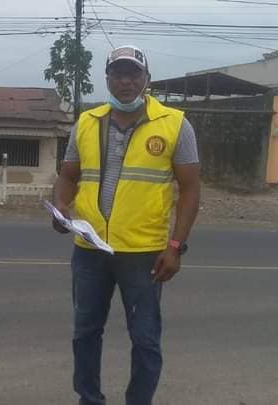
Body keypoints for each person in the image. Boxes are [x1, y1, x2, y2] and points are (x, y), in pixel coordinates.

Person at [52, 45, 200, 405]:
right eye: (118, 73)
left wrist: (175, 246)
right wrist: (61, 208)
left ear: (146, 79)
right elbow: (68, 176)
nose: (126, 81)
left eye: (134, 74)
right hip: (90, 251)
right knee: (85, 333)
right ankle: (89, 399)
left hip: (144, 254)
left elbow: (191, 189)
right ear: (108, 79)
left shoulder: (175, 124)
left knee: (145, 339)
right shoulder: (86, 123)